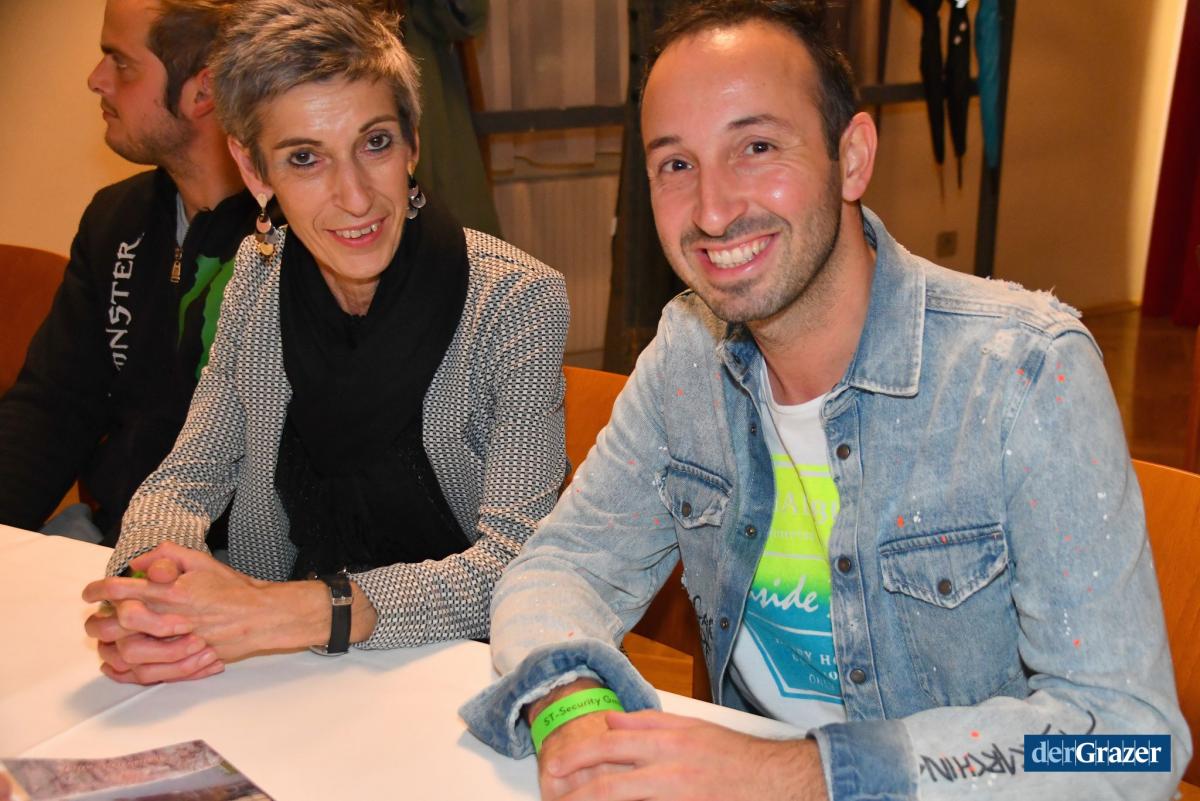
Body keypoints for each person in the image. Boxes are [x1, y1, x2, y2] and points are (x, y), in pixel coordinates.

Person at [461, 2, 1190, 799]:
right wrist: (572, 703)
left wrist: (800, 773)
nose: (711, 210)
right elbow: (560, 567)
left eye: (757, 147)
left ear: (852, 157)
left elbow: (1134, 742)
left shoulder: (1023, 374)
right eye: (676, 164)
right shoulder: (687, 354)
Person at [81, 0, 569, 685]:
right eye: (305, 158)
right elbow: (186, 479)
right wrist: (150, 591)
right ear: (255, 171)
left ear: (413, 143)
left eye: (376, 143)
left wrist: (305, 610)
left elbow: (520, 562)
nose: (355, 197)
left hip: (460, 668)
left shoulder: (516, 301)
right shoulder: (256, 280)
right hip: (291, 670)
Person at [0, 0, 254, 546]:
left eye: (121, 62)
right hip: (106, 538)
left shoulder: (296, 236)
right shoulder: (115, 218)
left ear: (204, 90)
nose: (96, 79)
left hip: (231, 561)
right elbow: (52, 408)